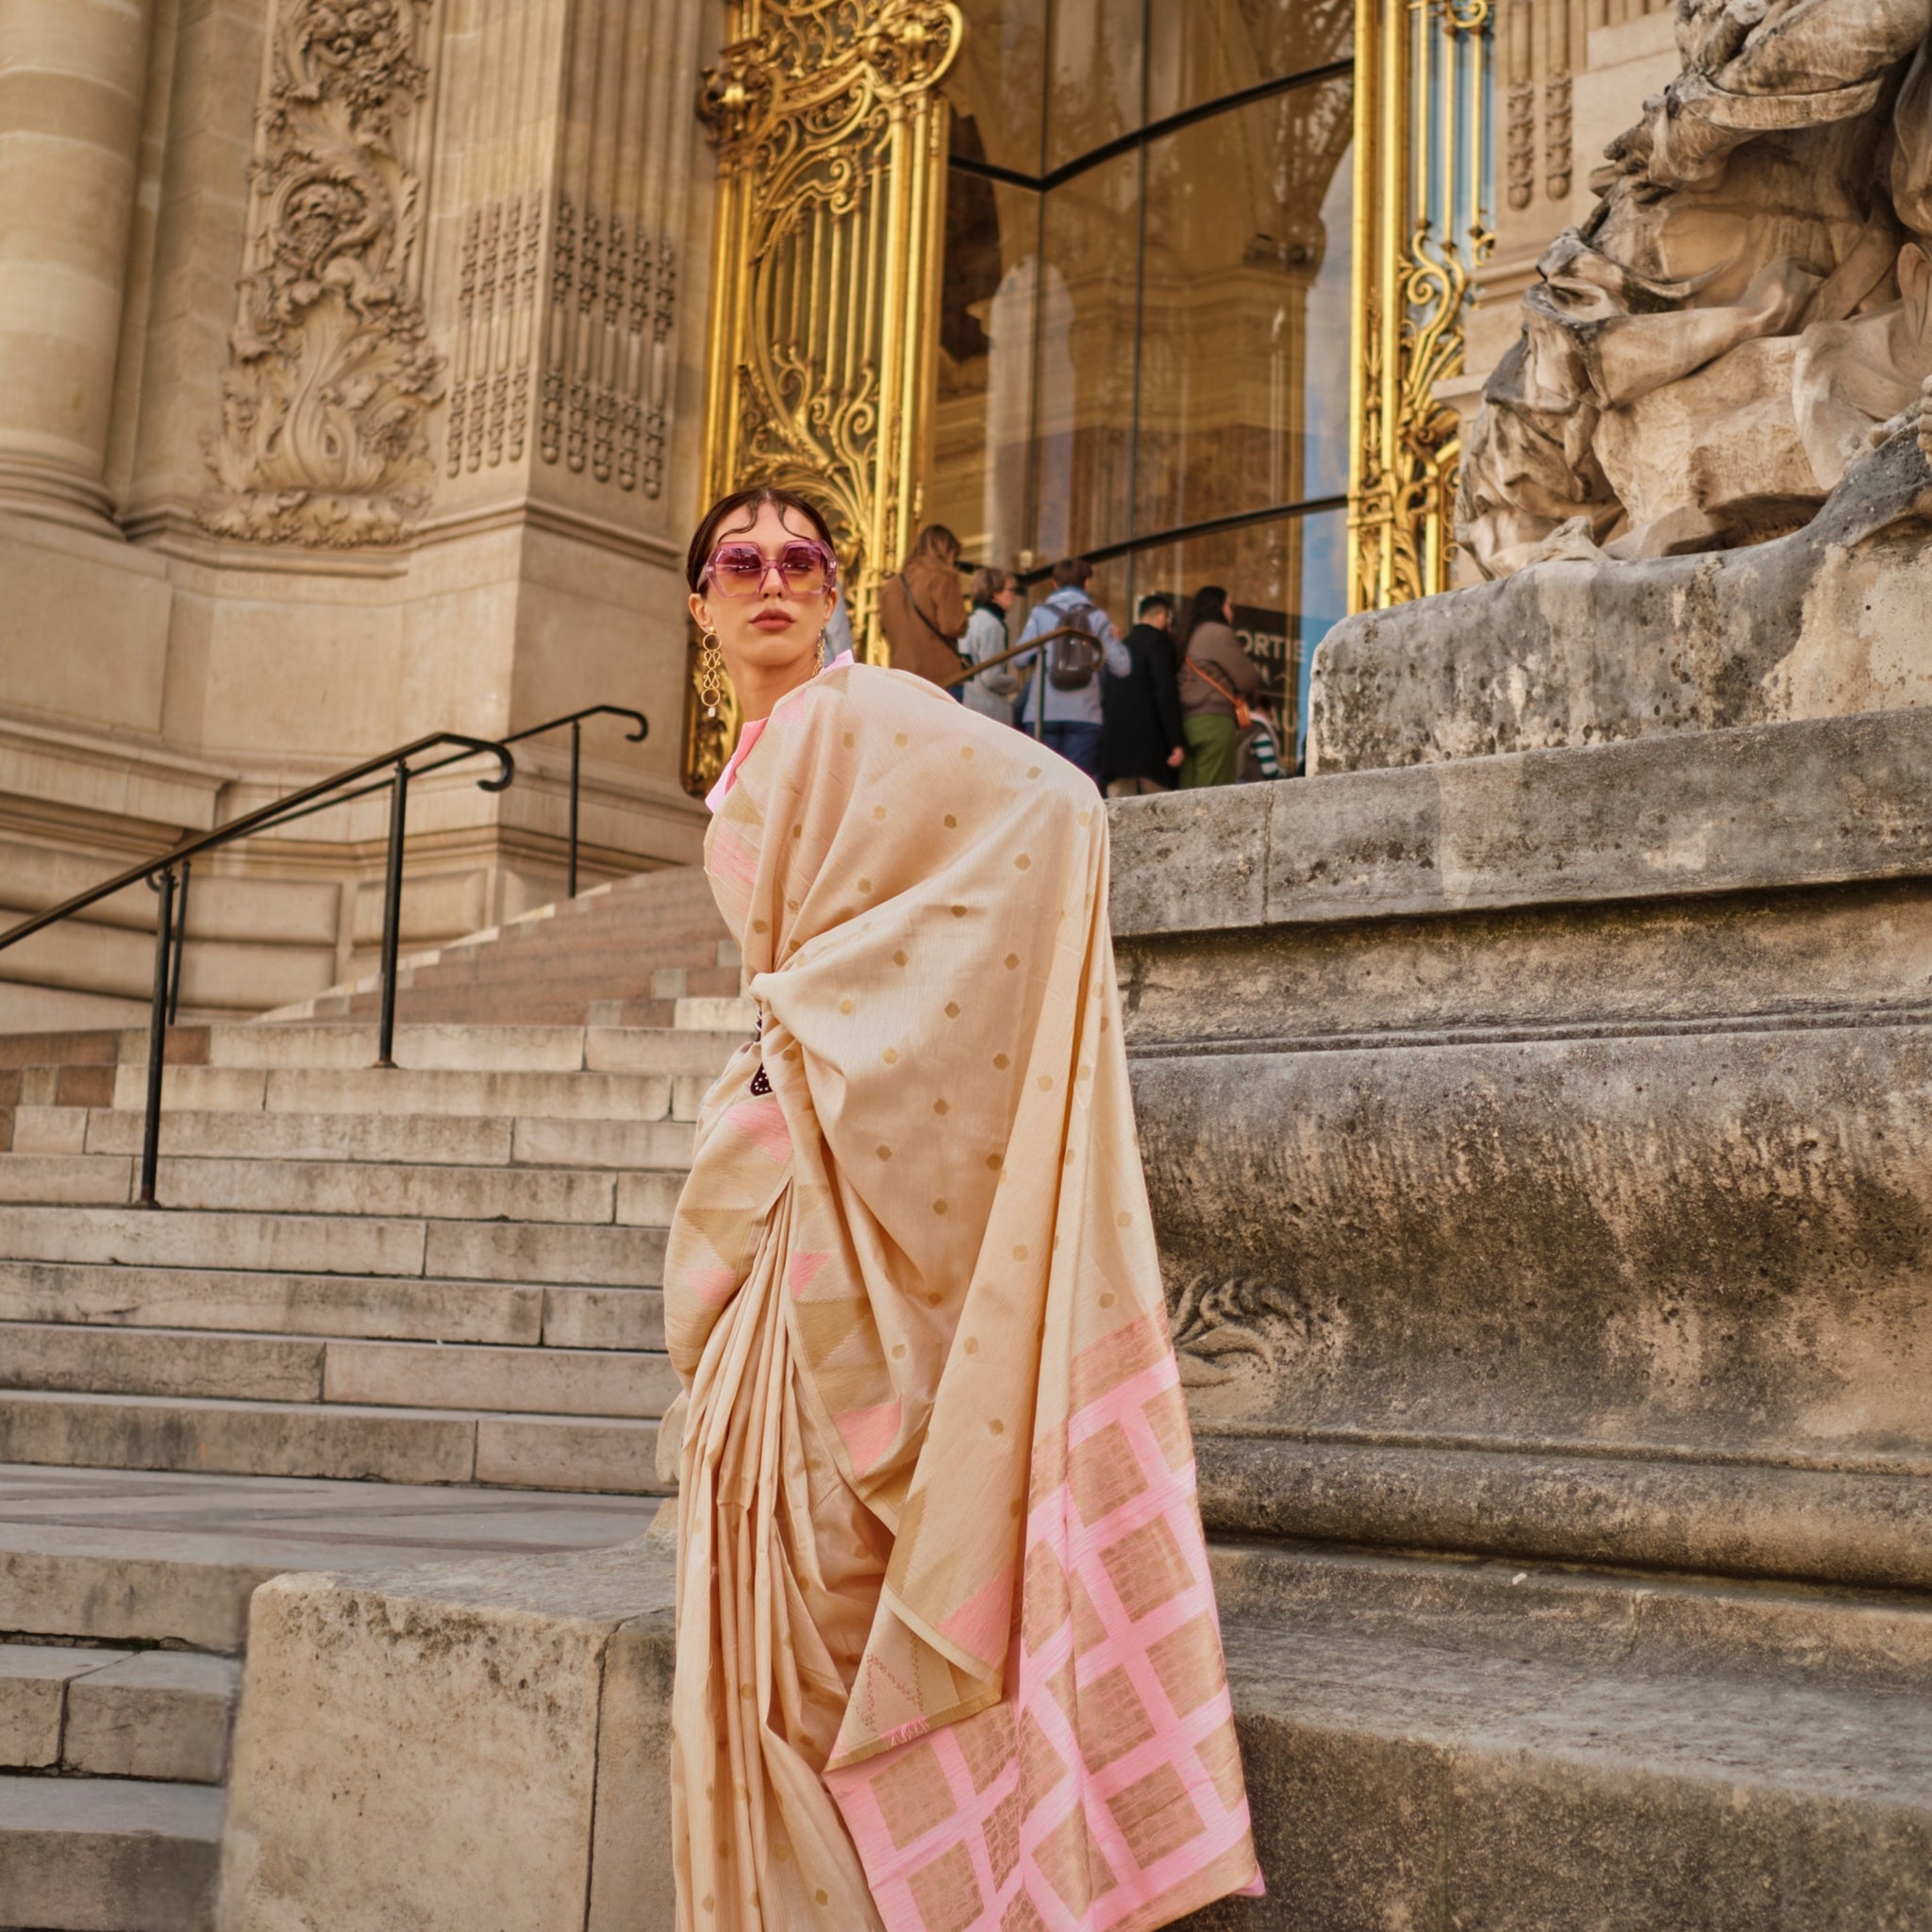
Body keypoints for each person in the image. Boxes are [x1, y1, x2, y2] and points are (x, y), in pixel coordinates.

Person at [669, 483, 1262, 1932]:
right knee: (768, 1603)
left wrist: (818, 1031)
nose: (771, 580)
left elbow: (1055, 811)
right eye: (739, 562)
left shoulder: (851, 717)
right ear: (699, 603)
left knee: (809, 1610)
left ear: (835, 591)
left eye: (801, 561)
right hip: (784, 1200)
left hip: (823, 1180)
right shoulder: (757, 758)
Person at [1011, 556, 1130, 784]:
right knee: (1077, 785)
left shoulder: (1040, 614)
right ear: (1087, 583)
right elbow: (1122, 667)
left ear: (1055, 584)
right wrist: (1114, 640)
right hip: (1086, 714)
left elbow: (1019, 658)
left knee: (1041, 784)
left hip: (1042, 712)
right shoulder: (1098, 617)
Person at [1100, 591, 1187, 797]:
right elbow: (1165, 693)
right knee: (1158, 813)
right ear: (1161, 617)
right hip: (1150, 751)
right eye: (1168, 619)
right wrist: (1176, 741)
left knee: (1119, 817)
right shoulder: (1159, 644)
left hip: (1117, 750)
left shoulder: (1122, 647)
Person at [1176, 586, 1262, 790]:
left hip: (1186, 723)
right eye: (1230, 605)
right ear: (1219, 607)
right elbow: (1248, 679)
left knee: (1187, 796)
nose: (1232, 612)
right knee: (1213, 798)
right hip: (1215, 723)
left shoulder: (1187, 635)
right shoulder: (1219, 633)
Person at [876, 524, 968, 688]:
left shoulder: (890, 586)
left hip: (903, 676)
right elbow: (952, 625)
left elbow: (884, 629)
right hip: (940, 677)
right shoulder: (942, 577)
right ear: (947, 551)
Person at [959, 565, 1020, 722]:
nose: (1013, 597)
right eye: (1010, 590)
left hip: (967, 703)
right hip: (987, 710)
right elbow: (991, 677)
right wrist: (1016, 683)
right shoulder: (993, 625)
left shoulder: (969, 620)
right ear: (995, 593)